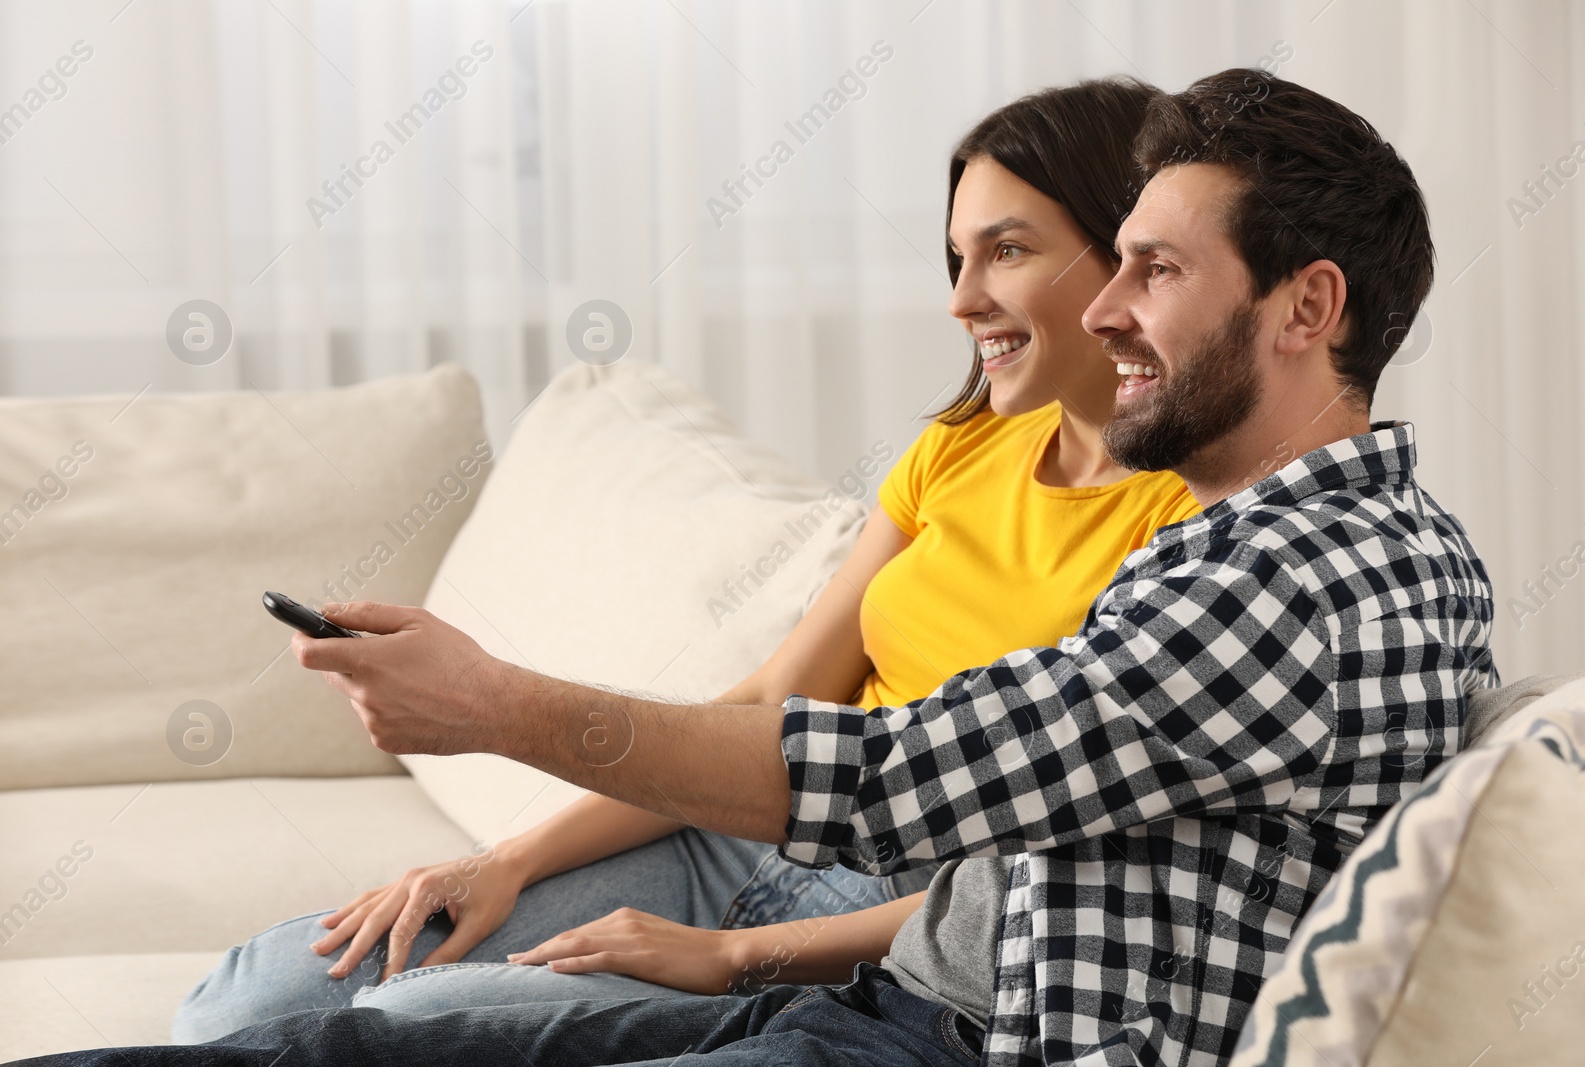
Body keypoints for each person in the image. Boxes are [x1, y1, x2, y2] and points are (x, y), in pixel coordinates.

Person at [21, 67, 1499, 1067]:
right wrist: (634, 913)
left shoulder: (1278, 586)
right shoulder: (1318, 544)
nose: (1106, 312)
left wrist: (489, 700)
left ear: (1310, 306)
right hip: (892, 984)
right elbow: (904, 786)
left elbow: (895, 780)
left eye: (1153, 269)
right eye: (1111, 262)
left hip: (925, 1018)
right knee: (319, 1027)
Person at [168, 78, 1200, 1042]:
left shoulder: (1189, 531)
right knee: (249, 1000)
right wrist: (503, 861)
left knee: (397, 1028)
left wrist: (733, 957)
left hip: (899, 923)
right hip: (731, 838)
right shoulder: (961, 447)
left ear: (1130, 257)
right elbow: (766, 703)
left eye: (1006, 250)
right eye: (956, 256)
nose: (961, 298)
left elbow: (1041, 877)